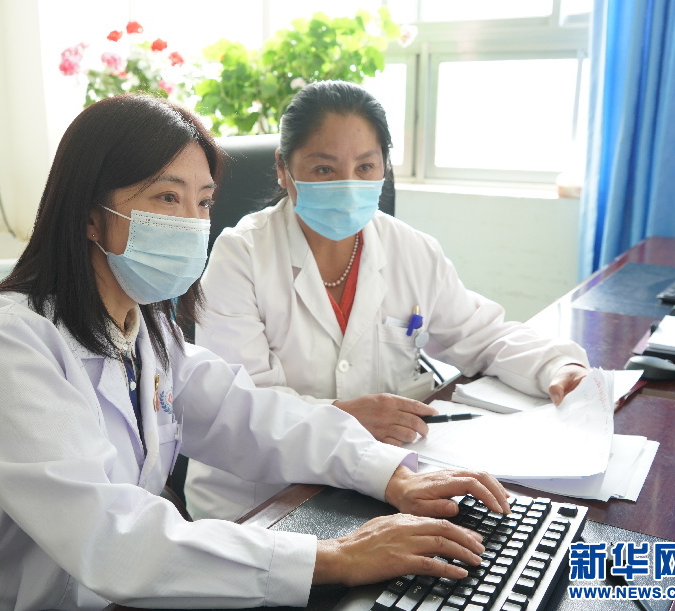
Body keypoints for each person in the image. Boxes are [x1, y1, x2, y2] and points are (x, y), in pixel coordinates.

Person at [0, 94, 512, 610]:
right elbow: (110, 538)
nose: (192, 222)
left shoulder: (144, 331)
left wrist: (393, 474)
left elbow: (252, 415)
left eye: (204, 201)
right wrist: (335, 556)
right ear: (88, 216)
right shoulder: (5, 344)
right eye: (167, 198)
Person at [184, 80, 590, 522]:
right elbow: (240, 405)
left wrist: (556, 366)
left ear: (384, 168)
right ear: (283, 169)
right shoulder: (241, 255)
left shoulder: (411, 249)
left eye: (365, 166)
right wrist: (342, 416)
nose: (348, 185)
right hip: (262, 499)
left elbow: (482, 334)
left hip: (378, 485)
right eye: (324, 169)